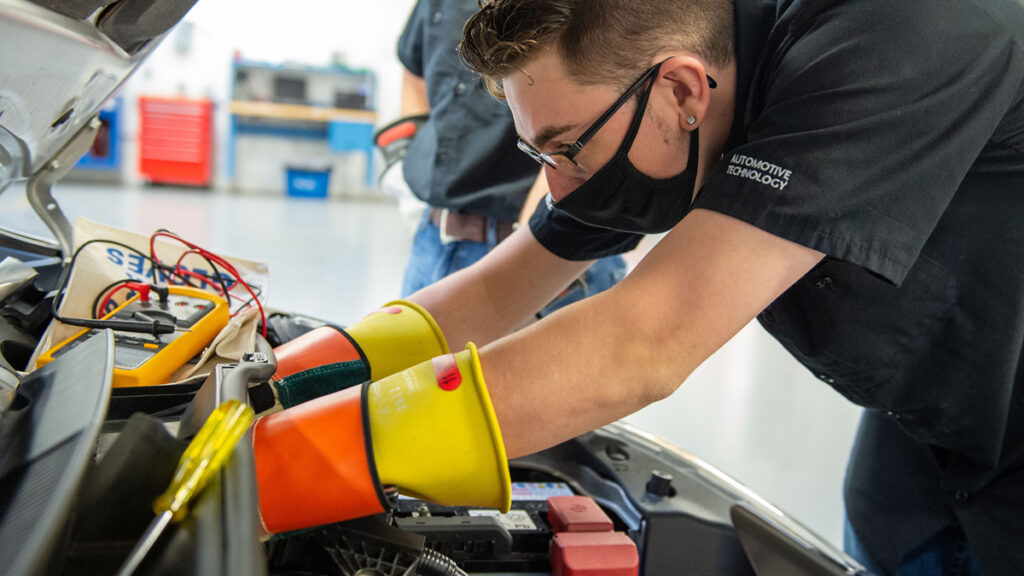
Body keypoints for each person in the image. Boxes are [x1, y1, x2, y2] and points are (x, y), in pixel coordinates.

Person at [251, 1, 1021, 574]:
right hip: (929, 414)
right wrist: (291, 382)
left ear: (684, 90)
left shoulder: (901, 34)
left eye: (566, 149)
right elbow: (497, 289)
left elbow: (644, 343)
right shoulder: (667, 92)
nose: (554, 184)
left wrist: (298, 464)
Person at [393, 0, 626, 310]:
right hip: (432, 241)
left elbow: (600, 113)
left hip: (537, 240)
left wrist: (537, 233)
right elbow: (414, 71)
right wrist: (405, 156)